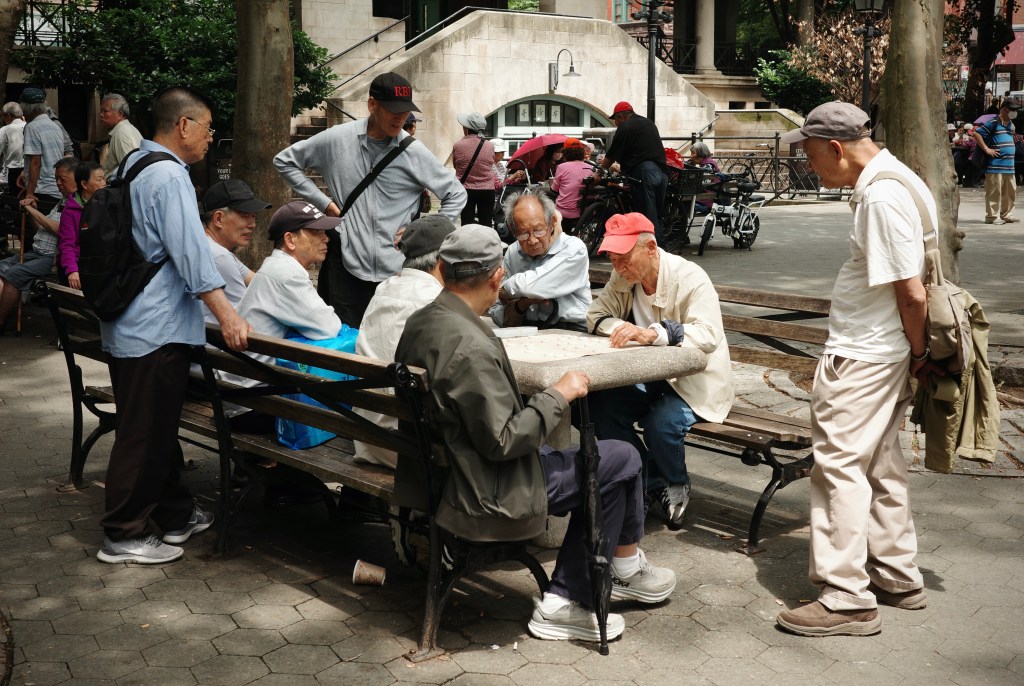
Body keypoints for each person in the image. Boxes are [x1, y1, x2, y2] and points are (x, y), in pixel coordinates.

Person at [395, 225, 677, 643]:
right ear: (497, 277)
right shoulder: (469, 343)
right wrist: (558, 394)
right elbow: (505, 441)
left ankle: (622, 567)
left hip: (442, 472)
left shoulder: (422, 321)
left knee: (608, 457)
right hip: (486, 489)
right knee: (622, 458)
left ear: (441, 268)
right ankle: (569, 598)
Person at [774, 101, 930, 637]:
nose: (810, 166)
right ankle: (896, 574)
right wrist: (912, 354)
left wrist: (920, 353)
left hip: (865, 355)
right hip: (884, 352)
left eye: (812, 156)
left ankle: (846, 597)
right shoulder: (898, 178)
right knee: (881, 464)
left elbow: (912, 293)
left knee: (839, 467)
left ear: (837, 148)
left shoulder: (881, 197)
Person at [95, 86, 251, 565]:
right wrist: (228, 314)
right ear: (184, 125)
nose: (210, 138)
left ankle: (173, 513)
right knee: (143, 436)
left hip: (131, 323)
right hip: (155, 329)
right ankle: (123, 533)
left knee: (155, 430)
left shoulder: (132, 164)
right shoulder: (168, 175)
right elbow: (191, 254)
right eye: (208, 128)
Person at [273, 71, 466, 328]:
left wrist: (423, 231)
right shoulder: (337, 140)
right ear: (372, 104)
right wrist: (324, 203)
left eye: (405, 111)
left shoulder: (413, 151)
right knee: (348, 339)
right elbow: (285, 161)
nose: (400, 117)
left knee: (393, 340)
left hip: (398, 271)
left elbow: (456, 193)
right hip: (347, 267)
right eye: (392, 109)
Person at [586, 213, 734, 529]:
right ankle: (647, 481)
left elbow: (709, 334)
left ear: (651, 247)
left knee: (662, 423)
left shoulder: (689, 277)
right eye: (612, 259)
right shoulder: (623, 277)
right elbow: (596, 315)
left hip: (695, 379)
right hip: (649, 374)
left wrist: (655, 333)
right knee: (599, 408)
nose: (618, 267)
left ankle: (675, 482)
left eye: (624, 258)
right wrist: (622, 328)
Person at [353, 214, 456, 468]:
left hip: (368, 438)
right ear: (443, 262)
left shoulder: (382, 289)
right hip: (413, 451)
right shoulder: (437, 302)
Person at [237, 201, 342, 344]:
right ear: (290, 240)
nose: (326, 238)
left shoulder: (278, 265)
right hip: (261, 358)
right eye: (316, 232)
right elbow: (330, 327)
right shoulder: (287, 274)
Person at [490, 192, 591, 331]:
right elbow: (497, 313)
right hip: (528, 329)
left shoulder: (573, 248)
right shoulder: (513, 252)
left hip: (571, 329)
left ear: (552, 222)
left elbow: (531, 286)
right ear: (513, 230)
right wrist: (522, 304)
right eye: (523, 233)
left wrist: (505, 289)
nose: (532, 240)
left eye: (538, 231)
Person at [0, 157, 77, 333]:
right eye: (56, 179)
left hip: (50, 258)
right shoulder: (62, 201)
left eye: (63, 179)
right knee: (2, 268)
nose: (58, 183)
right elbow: (41, 230)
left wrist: (32, 211)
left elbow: (60, 230)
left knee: (14, 274)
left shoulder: (76, 204)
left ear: (76, 177)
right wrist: (33, 211)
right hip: (36, 252)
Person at [199, 179, 271, 320]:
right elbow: (248, 315)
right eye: (245, 216)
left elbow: (259, 283)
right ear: (218, 219)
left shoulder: (211, 247)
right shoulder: (218, 256)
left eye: (253, 216)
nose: (253, 224)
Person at [600, 101, 668, 242]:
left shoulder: (625, 126)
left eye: (615, 120)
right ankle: (660, 247)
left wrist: (599, 171)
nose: (616, 124)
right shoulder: (648, 123)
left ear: (620, 117)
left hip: (645, 172)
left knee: (647, 216)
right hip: (662, 172)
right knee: (656, 215)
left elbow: (611, 156)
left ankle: (655, 249)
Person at [57, 161, 106, 289]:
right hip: (80, 265)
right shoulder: (70, 212)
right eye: (99, 179)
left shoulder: (107, 204)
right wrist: (72, 270)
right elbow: (67, 245)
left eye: (104, 178)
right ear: (84, 184)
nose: (104, 183)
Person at [18, 87, 66, 215]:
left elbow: (35, 162)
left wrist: (30, 192)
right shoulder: (55, 126)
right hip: (56, 188)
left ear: (28, 108)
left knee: (38, 226)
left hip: (41, 190)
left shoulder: (32, 127)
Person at [972, 101, 1019, 224]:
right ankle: (992, 217)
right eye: (1012, 109)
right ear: (1004, 109)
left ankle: (1007, 214)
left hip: (1009, 166)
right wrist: (987, 149)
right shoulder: (993, 122)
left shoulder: (1011, 124)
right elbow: (976, 134)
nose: (1014, 112)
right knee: (994, 192)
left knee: (1010, 192)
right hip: (995, 165)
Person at [453, 112, 496, 227]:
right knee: (486, 224)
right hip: (487, 190)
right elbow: (491, 163)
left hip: (466, 190)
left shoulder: (458, 145)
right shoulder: (490, 146)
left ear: (467, 128)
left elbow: (455, 166)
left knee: (467, 224)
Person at [549, 138, 591, 232]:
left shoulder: (561, 167)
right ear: (581, 152)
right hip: (585, 213)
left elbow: (554, 191)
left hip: (564, 214)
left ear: (565, 153)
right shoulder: (590, 168)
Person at [99, 93, 143, 181]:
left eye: (105, 111)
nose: (101, 114)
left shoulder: (121, 132)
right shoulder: (125, 129)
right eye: (101, 111)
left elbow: (129, 171)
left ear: (120, 114)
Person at [0, 102, 25, 194]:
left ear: (9, 115)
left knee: (15, 197)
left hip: (14, 171)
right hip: (31, 169)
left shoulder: (5, 129)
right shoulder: (29, 126)